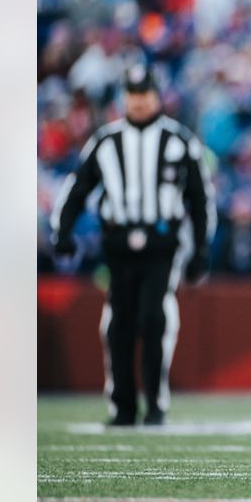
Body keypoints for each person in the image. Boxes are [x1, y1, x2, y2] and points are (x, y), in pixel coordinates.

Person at [51, 64, 217, 426]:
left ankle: (155, 404)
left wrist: (201, 250)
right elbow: (76, 190)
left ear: (157, 96)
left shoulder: (179, 140)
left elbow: (201, 198)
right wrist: (62, 232)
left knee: (153, 318)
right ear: (124, 97)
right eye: (133, 94)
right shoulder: (105, 141)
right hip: (119, 246)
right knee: (119, 325)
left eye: (144, 94)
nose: (139, 102)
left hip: (162, 245)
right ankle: (123, 406)